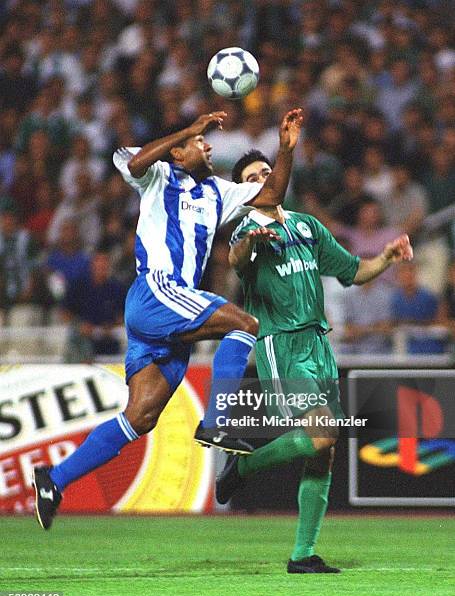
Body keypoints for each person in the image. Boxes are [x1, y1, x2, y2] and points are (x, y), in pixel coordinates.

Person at [32, 108, 304, 530]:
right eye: (200, 143)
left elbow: (271, 196)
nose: (208, 145)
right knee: (246, 324)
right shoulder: (157, 176)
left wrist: (286, 150)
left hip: (170, 311)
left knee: (140, 417)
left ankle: (54, 479)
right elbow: (133, 161)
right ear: (177, 153)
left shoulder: (218, 191)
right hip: (158, 291)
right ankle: (217, 423)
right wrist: (188, 129)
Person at [216, 149, 413, 574]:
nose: (264, 178)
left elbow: (352, 271)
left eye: (267, 171)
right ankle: (244, 464)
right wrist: (252, 242)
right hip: (280, 344)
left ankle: (302, 554)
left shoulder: (307, 226)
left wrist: (387, 258)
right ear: (244, 192)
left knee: (323, 452)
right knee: (323, 434)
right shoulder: (245, 229)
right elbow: (237, 260)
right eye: (252, 177)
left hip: (318, 344)